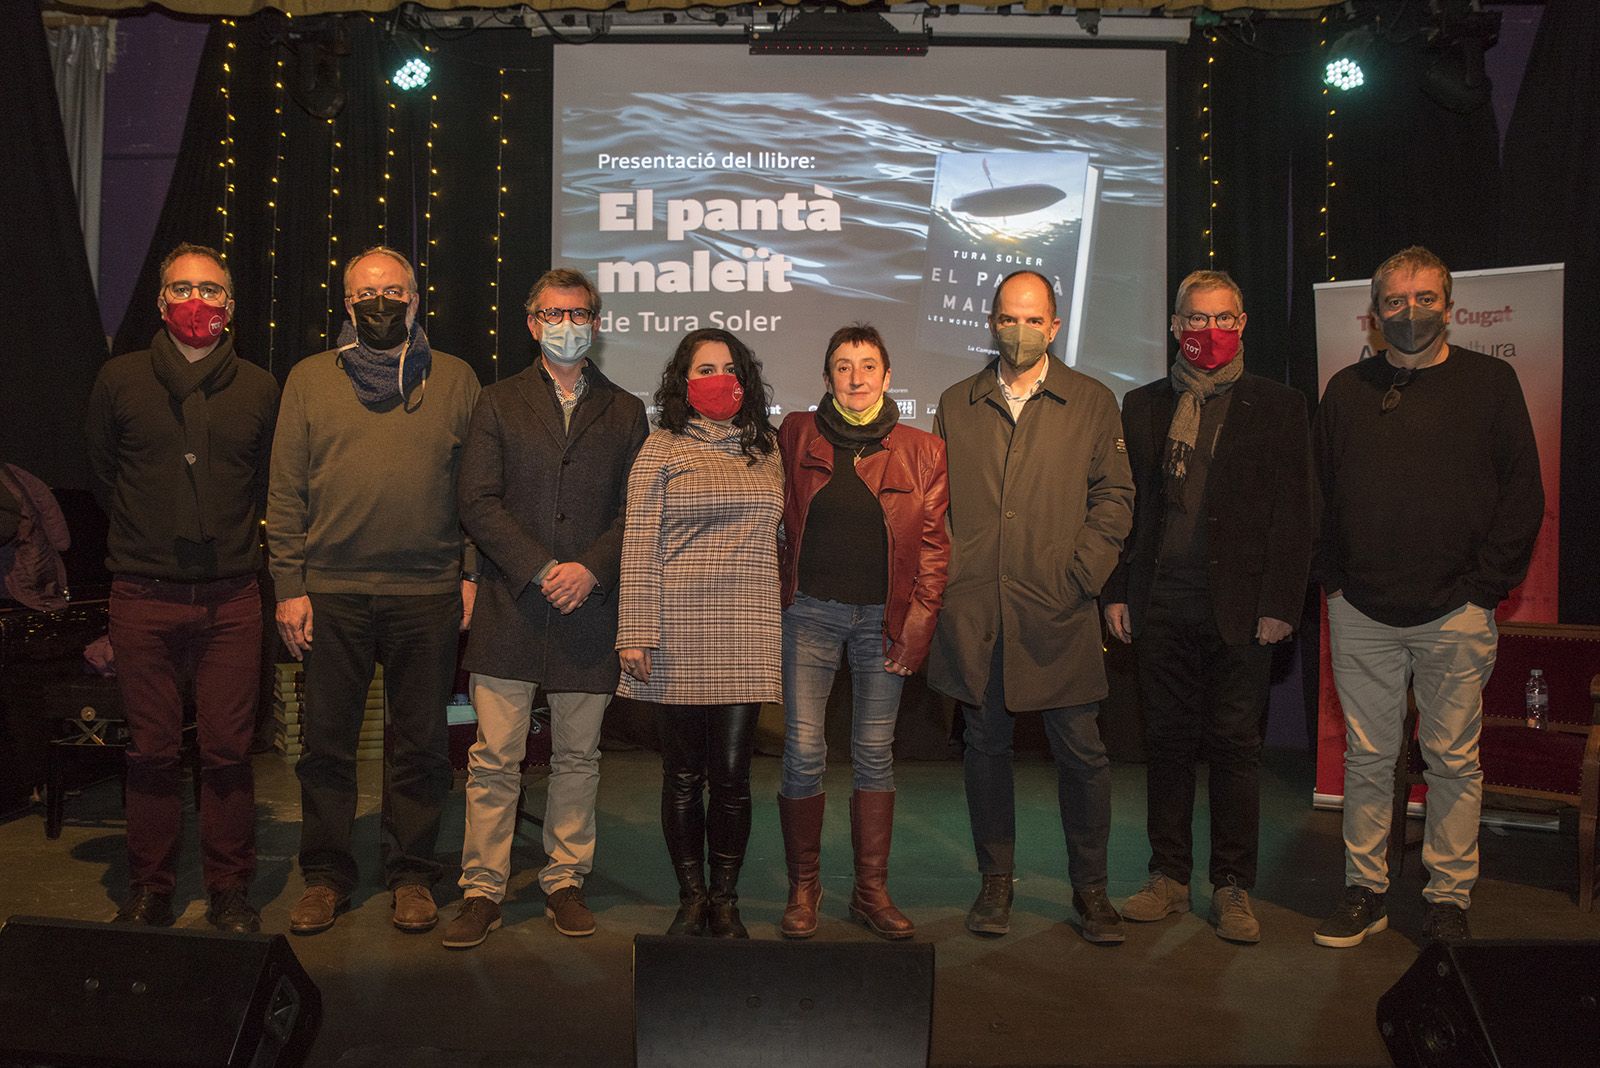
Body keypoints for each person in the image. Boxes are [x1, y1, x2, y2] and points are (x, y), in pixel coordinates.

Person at [1312, 246, 1543, 947]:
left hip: (1456, 613)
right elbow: (1316, 496)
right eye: (1395, 301)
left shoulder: (1492, 382)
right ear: (1374, 313)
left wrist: (1484, 590)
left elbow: (1522, 496)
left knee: (1452, 761)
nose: (1409, 312)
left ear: (1450, 304)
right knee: (1368, 757)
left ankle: (1448, 897)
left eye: (1424, 299)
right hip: (1362, 612)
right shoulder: (1346, 390)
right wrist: (1337, 585)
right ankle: (1365, 890)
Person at [268, 245, 481, 935]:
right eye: (366, 292)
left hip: (428, 594)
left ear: (416, 300)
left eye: (393, 291)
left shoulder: (454, 379)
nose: (380, 302)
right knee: (325, 745)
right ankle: (326, 876)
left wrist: (472, 572)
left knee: (421, 745)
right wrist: (288, 585)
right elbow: (285, 489)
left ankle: (413, 874)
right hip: (331, 594)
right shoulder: (307, 379)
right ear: (347, 302)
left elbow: (477, 491)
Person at [1104, 270, 1312, 943]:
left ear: (1244, 324)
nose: (1209, 333)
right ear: (1174, 326)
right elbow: (1123, 512)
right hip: (1160, 603)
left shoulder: (1279, 405)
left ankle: (1232, 887)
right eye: (1196, 320)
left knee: (1234, 749)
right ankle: (1167, 877)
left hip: (1245, 611)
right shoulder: (1140, 406)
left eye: (1223, 319)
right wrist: (1116, 592)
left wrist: (1282, 603)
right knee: (1164, 746)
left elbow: (1296, 514)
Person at [928, 269, 1134, 944]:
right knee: (984, 749)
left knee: (1082, 753)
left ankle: (1092, 891)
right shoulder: (957, 402)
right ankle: (996, 884)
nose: (1020, 331)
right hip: (978, 614)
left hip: (1059, 610)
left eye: (1033, 319)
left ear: (1055, 325)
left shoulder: (1093, 401)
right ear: (992, 321)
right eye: (1008, 318)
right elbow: (938, 509)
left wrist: (1081, 575)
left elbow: (1115, 498)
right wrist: (955, 579)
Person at [443, 269, 647, 948]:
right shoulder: (496, 403)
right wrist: (540, 567)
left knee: (577, 758)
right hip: (512, 604)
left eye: (580, 312)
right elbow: (477, 500)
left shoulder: (625, 411)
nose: (568, 324)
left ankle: (564, 879)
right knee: (494, 757)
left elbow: (635, 511)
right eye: (554, 314)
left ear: (598, 322)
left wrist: (590, 567)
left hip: (589, 613)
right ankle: (483, 889)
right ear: (531, 323)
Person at [85, 242, 279, 932]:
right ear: (162, 300)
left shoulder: (260, 386)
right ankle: (151, 889)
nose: (197, 300)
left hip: (231, 597)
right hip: (142, 595)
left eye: (212, 289)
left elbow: (262, 484)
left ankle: (230, 889)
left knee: (228, 750)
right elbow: (106, 476)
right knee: (151, 752)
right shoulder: (120, 379)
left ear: (231, 306)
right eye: (182, 287)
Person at [776, 324, 950, 940]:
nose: (856, 378)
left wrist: (917, 630)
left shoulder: (923, 449)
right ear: (828, 375)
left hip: (883, 622)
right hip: (809, 616)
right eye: (843, 367)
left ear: (886, 373)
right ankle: (806, 888)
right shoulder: (795, 432)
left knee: (875, 755)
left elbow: (933, 552)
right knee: (803, 754)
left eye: (868, 366)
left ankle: (870, 892)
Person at [616, 328, 783, 939]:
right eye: (703, 367)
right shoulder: (659, 448)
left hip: (748, 627)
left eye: (727, 366)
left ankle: (727, 896)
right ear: (683, 382)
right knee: (683, 775)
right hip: (676, 629)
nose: (717, 377)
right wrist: (635, 631)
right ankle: (691, 897)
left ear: (745, 377)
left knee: (733, 776)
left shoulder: (767, 449)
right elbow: (637, 544)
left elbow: (779, 537)